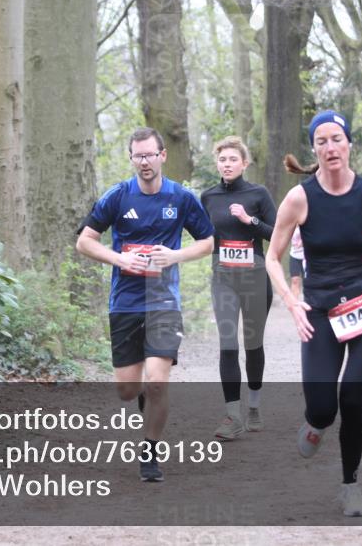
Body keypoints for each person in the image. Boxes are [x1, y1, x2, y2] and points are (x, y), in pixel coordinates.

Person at [265, 110, 362, 517]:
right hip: (321, 313)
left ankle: (350, 486)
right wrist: (292, 303)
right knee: (324, 407)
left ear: (349, 144)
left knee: (353, 399)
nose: (330, 147)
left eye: (337, 139)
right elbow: (272, 257)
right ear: (315, 149)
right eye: (322, 141)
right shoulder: (300, 198)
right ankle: (314, 423)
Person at [76, 127, 215, 482]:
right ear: (131, 158)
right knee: (127, 390)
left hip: (163, 300)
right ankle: (142, 400)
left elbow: (209, 243)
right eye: (138, 156)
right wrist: (121, 260)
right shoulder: (118, 197)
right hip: (125, 301)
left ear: (162, 155)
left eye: (150, 154)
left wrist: (175, 256)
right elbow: (85, 242)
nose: (144, 162)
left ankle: (150, 452)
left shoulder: (181, 198)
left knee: (157, 382)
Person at [200, 137, 276, 440]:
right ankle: (232, 416)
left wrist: (250, 220)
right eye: (222, 160)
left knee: (253, 344)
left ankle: (254, 407)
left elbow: (277, 232)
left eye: (233, 159)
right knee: (228, 342)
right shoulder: (208, 197)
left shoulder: (258, 193)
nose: (227, 164)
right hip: (223, 277)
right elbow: (200, 234)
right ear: (217, 164)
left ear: (244, 163)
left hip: (255, 277)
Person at [289, 228, 304, 301]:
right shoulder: (290, 224)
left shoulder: (307, 221)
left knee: (307, 280)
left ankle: (309, 303)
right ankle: (295, 303)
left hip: (306, 256)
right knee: (295, 280)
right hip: (294, 255)